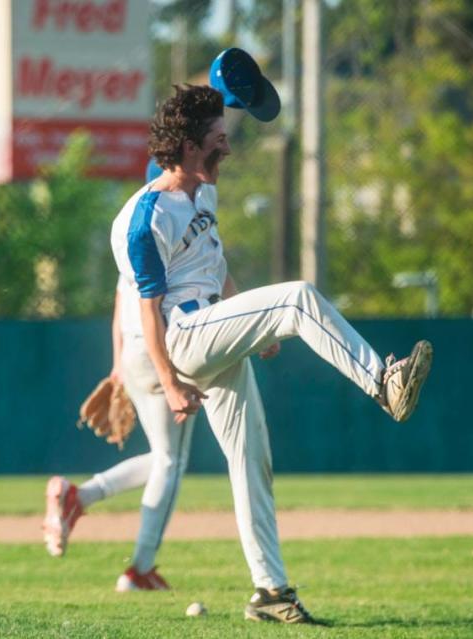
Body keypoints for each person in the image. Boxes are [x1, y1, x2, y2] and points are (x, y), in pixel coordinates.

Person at [105, 80, 432, 624]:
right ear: (187, 145)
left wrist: (256, 326)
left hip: (214, 330)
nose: (227, 147)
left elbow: (215, 266)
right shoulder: (144, 218)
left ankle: (271, 592)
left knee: (251, 459)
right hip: (183, 339)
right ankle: (383, 383)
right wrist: (169, 381)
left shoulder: (202, 193)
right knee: (298, 296)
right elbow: (147, 310)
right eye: (217, 138)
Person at [42, 158, 195, 593]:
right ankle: (140, 568)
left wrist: (117, 365)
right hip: (160, 349)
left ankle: (80, 497)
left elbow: (120, 308)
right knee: (171, 460)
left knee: (163, 455)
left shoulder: (134, 229)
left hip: (132, 351)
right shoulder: (173, 225)